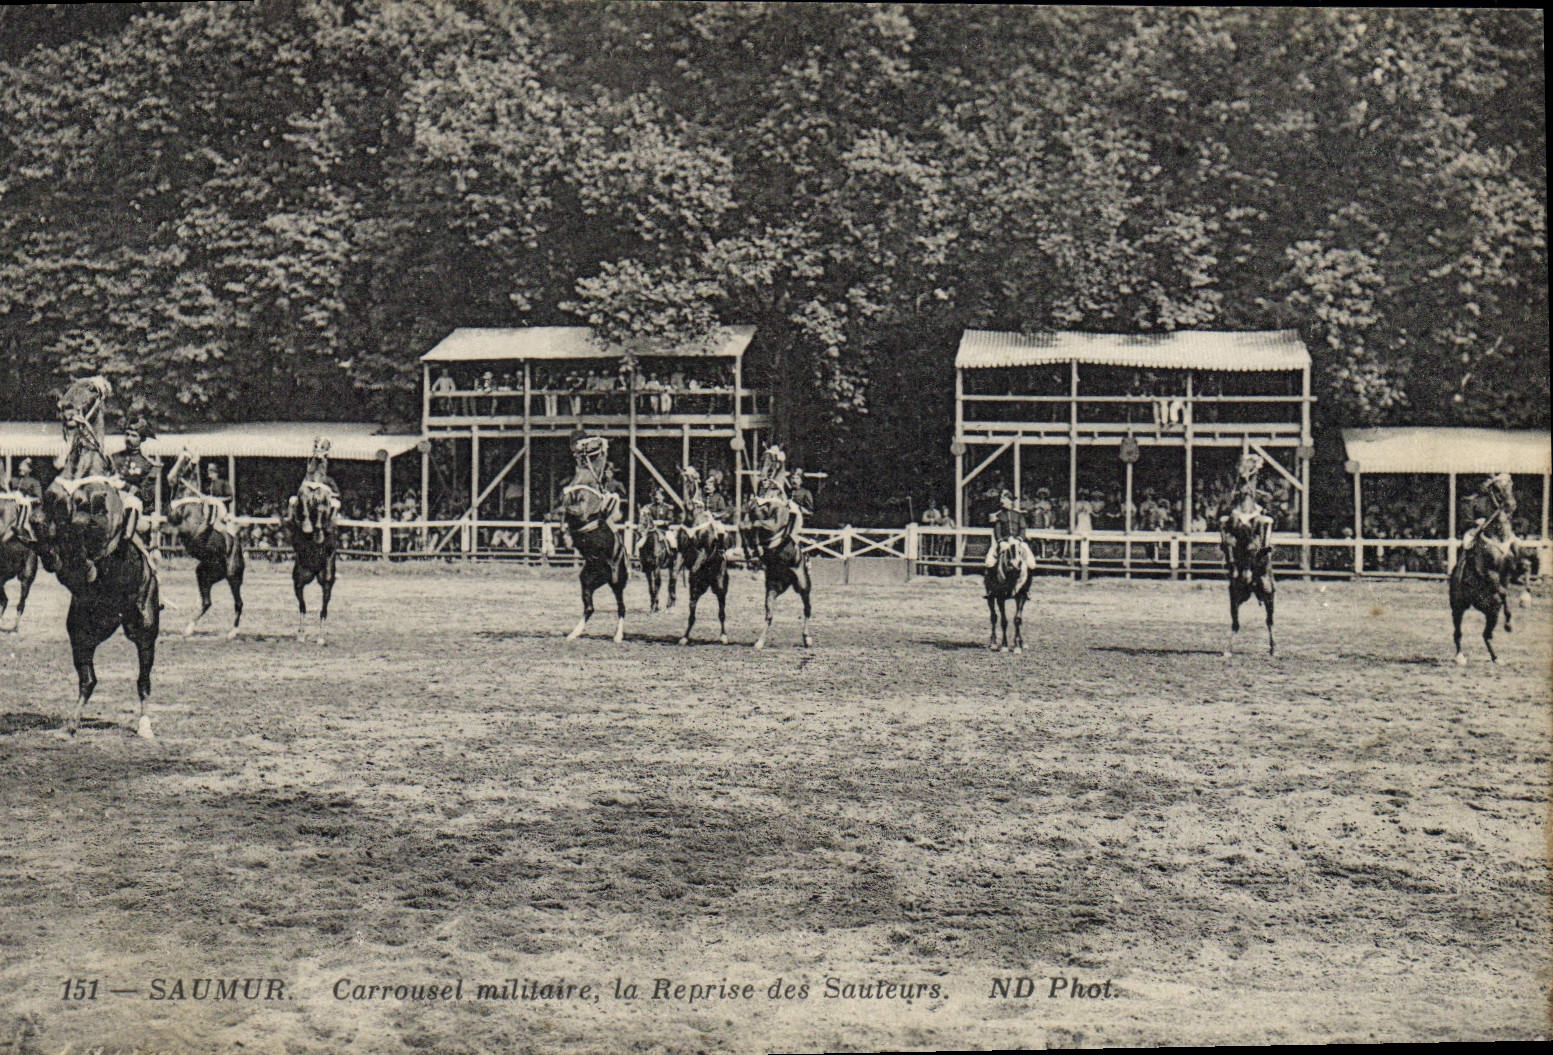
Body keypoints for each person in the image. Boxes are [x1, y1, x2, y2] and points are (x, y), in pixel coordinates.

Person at [110, 417, 156, 550]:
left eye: (134, 435)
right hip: (111, 495)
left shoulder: (147, 464)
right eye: (127, 434)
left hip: (132, 504)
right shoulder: (113, 457)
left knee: (132, 503)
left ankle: (125, 540)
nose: (129, 438)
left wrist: (125, 486)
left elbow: (147, 494)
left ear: (141, 439)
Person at [984, 489, 1037, 576]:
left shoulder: (1018, 515)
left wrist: (1019, 540)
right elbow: (997, 530)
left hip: (1017, 541)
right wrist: (1000, 541)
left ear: (1010, 501)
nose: (1002, 501)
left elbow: (1023, 529)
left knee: (1030, 561)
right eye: (1002, 499)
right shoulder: (1000, 515)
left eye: (1004, 499)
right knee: (989, 561)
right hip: (1004, 541)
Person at [1462, 473, 1516, 550]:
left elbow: (1509, 510)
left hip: (1497, 530)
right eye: (1483, 483)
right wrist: (1475, 522)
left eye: (1488, 483)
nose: (1486, 485)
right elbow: (1465, 521)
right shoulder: (1471, 501)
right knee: (1467, 544)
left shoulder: (1495, 500)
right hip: (1477, 530)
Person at [636, 486, 678, 561]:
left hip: (664, 530)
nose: (657, 497)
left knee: (673, 542)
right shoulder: (649, 507)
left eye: (660, 495)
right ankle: (640, 559)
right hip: (651, 530)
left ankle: (673, 559)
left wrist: (663, 522)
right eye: (656, 495)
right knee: (639, 544)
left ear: (663, 497)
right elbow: (644, 519)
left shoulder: (667, 507)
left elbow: (671, 520)